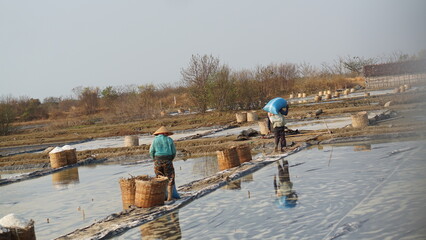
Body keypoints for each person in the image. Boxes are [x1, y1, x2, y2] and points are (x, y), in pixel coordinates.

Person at [149, 126, 177, 201]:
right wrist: (171, 159)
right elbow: (174, 152)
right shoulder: (169, 140)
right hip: (167, 159)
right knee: (170, 177)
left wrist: (154, 159)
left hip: (158, 160)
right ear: (165, 133)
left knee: (159, 177)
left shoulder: (155, 140)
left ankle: (161, 196)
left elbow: (151, 151)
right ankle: (169, 197)